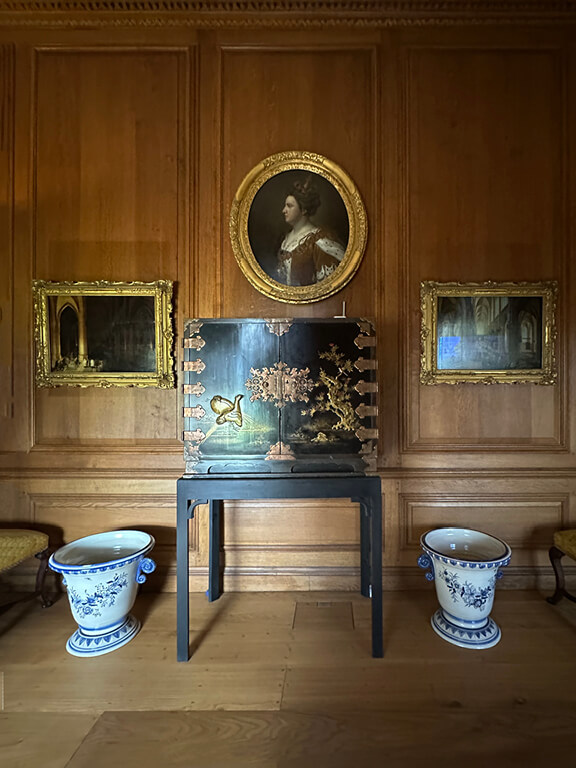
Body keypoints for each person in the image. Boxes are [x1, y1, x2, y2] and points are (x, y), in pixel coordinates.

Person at [276, 177, 346, 286]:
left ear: (304, 209)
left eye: (289, 206)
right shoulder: (285, 239)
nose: (284, 210)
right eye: (285, 206)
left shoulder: (321, 241)